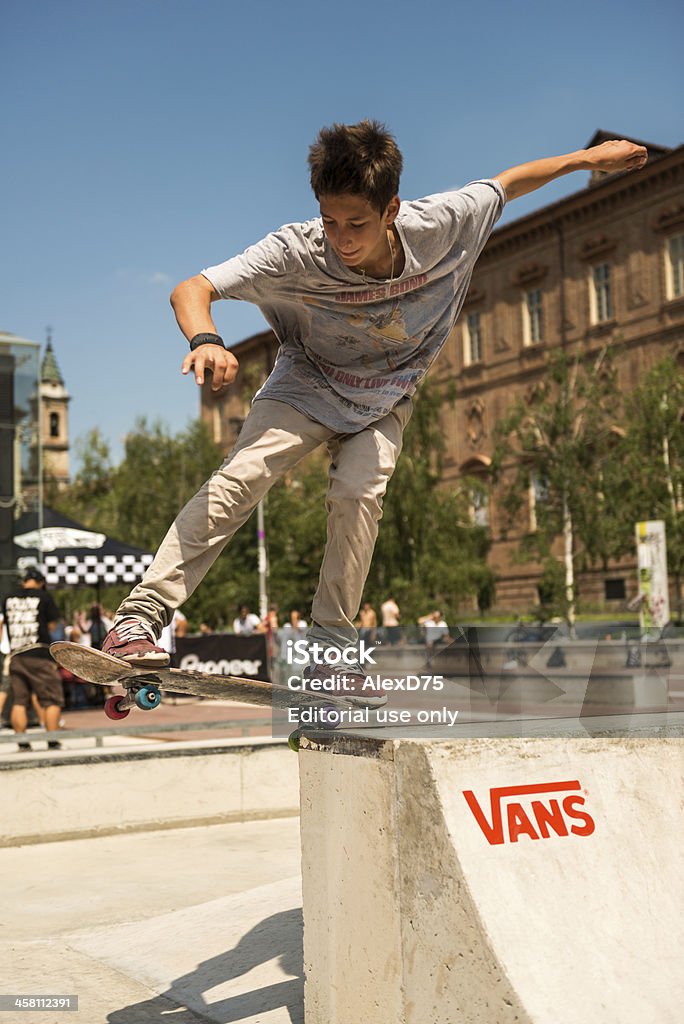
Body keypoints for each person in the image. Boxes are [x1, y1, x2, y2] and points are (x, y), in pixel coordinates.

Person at [99, 121, 647, 708]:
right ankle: (140, 618)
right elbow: (192, 287)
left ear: (392, 210)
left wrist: (587, 160)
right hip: (306, 382)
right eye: (330, 221)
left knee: (359, 496)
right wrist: (205, 339)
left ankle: (332, 652)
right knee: (241, 478)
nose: (341, 239)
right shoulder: (293, 249)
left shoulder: (440, 223)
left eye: (357, 224)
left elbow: (509, 182)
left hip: (387, 396)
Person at [2, 567, 64, 751]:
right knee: (52, 699)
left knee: (20, 701)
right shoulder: (43, 597)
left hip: (16, 655)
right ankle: (52, 741)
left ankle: (22, 742)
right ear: (40, 582)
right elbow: (52, 625)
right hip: (39, 654)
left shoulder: (8, 598)